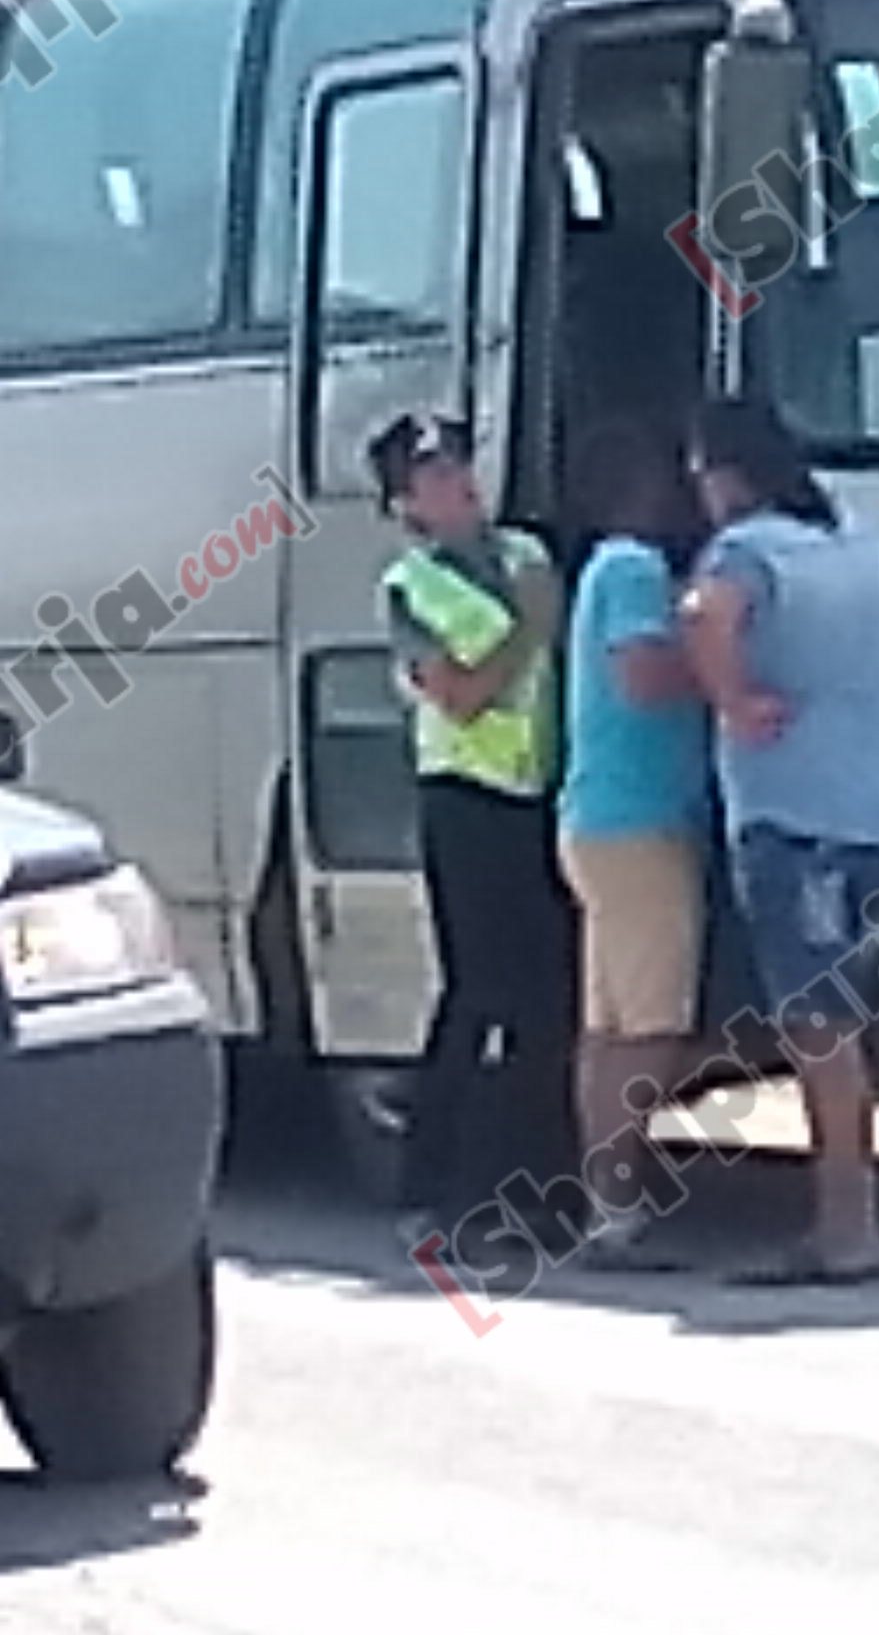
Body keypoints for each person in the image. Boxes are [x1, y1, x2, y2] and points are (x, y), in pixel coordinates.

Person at [680, 398, 879, 1286]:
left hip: (792, 821)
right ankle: (851, 1211)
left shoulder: (746, 551)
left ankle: (846, 1226)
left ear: (725, 473)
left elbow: (705, 616)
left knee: (816, 1026)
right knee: (847, 1021)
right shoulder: (867, 544)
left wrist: (734, 698)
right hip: (878, 815)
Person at [366, 412, 574, 1253]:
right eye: (432, 474)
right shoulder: (409, 585)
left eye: (457, 462)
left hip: (535, 796)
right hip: (463, 797)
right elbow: (459, 693)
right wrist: (527, 629)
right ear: (405, 502)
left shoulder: (526, 554)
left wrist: (532, 621)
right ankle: (430, 1187)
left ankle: (541, 1196)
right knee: (475, 993)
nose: (457, 481)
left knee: (546, 1008)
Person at [556, 419, 713, 1268]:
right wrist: (724, 661)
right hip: (642, 822)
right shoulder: (635, 569)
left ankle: (608, 1204)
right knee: (653, 1028)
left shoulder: (606, 570)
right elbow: (643, 676)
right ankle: (619, 1199)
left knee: (608, 1027)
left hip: (599, 821)